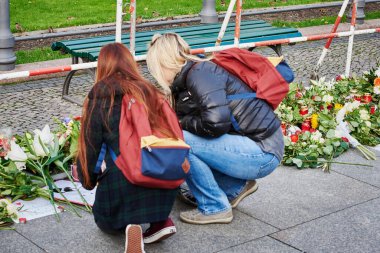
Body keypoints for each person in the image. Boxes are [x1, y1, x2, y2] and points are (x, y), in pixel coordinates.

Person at [146, 33, 284, 225]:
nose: (156, 75)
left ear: (164, 63)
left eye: (155, 69)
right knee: (185, 137)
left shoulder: (200, 74)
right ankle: (233, 188)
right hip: (258, 143)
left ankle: (214, 206)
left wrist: (178, 124)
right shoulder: (193, 74)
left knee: (181, 140)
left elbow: (216, 124)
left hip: (263, 150)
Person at [77, 43, 177, 251]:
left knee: (104, 222)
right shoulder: (150, 91)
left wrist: (87, 181)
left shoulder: (100, 97)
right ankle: (160, 221)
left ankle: (129, 225)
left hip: (123, 184)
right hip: (163, 176)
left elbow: (92, 150)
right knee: (151, 200)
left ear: (102, 67)